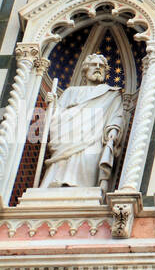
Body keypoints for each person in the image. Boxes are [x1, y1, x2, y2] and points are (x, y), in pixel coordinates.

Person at [38, 54, 126, 191]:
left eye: (101, 66)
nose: (98, 68)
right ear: (85, 70)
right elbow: (55, 117)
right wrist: (53, 104)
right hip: (68, 141)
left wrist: (113, 131)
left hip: (93, 141)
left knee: (87, 165)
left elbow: (117, 116)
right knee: (61, 167)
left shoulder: (111, 94)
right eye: (94, 65)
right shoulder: (70, 92)